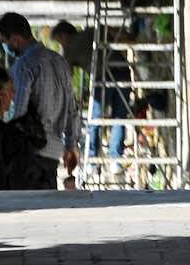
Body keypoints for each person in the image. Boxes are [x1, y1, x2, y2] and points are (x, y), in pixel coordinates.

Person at [0, 12, 81, 189]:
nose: (5, 47)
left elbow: (19, 112)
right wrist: (71, 146)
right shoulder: (60, 62)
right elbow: (72, 110)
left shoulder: (24, 65)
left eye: (4, 42)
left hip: (29, 154)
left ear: (15, 39)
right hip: (53, 153)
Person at [53, 19, 132, 177]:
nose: (60, 44)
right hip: (123, 71)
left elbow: (67, 74)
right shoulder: (92, 30)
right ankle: (115, 161)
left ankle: (93, 161)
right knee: (119, 117)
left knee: (95, 120)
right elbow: (121, 36)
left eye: (58, 40)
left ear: (63, 35)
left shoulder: (69, 48)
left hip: (102, 78)